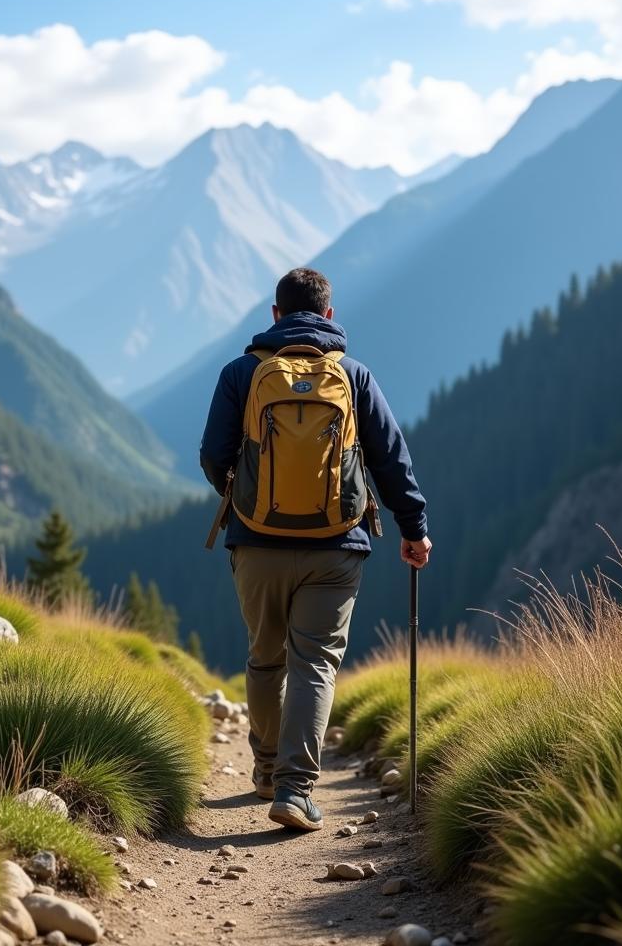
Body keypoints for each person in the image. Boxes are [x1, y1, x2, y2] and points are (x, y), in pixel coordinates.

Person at [199, 266, 430, 831]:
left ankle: (266, 768)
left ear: (274, 316)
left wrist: (246, 497)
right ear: (329, 316)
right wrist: (413, 527)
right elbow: (390, 460)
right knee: (315, 665)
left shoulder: (240, 373)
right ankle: (296, 792)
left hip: (256, 543)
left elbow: (212, 454)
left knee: (265, 656)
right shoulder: (353, 375)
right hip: (336, 546)